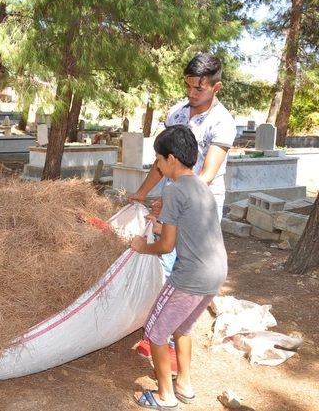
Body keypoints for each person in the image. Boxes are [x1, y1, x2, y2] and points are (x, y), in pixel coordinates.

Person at [131, 126, 227, 410]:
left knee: (156, 331)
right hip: (216, 273)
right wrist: (160, 224)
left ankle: (165, 396)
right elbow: (189, 228)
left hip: (190, 277)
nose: (158, 166)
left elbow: (166, 247)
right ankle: (184, 385)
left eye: (158, 160)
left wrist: (141, 247)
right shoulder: (200, 185)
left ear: (170, 159)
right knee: (182, 328)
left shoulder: (174, 191)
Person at [129, 52, 236, 222]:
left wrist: (170, 200)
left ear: (216, 88)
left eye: (199, 89)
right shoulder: (176, 114)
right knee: (166, 246)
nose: (191, 93)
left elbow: (207, 175)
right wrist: (142, 193)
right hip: (172, 196)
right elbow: (162, 160)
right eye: (188, 86)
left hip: (202, 203)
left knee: (190, 248)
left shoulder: (221, 122)